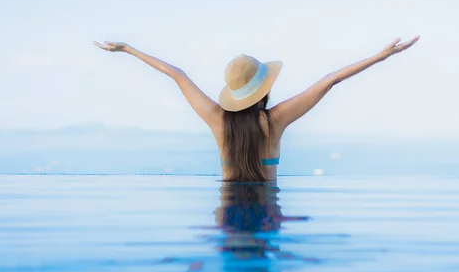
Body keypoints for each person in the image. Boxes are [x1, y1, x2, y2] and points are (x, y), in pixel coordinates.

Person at [93, 36, 420, 181]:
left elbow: (177, 74)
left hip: (226, 210)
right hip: (268, 208)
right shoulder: (275, 121)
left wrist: (128, 49)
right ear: (264, 88)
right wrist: (381, 56)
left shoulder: (217, 120)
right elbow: (330, 80)